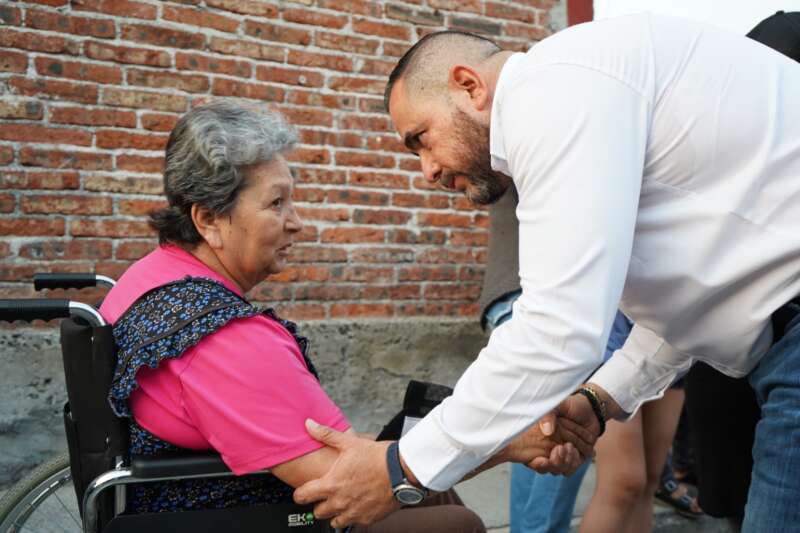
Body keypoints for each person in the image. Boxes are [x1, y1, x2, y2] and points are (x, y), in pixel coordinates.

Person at [293, 14, 800, 533]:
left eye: (420, 139)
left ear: (468, 86)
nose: (427, 171)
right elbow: (701, 294)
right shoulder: (580, 89)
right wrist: (599, 402)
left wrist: (398, 469)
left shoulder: (551, 90)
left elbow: (556, 332)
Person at [98, 100, 592, 532]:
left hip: (193, 497)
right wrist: (510, 443)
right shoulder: (223, 339)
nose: (297, 222)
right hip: (253, 514)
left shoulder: (147, 278)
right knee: (456, 522)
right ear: (207, 219)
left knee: (432, 482)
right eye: (276, 203)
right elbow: (347, 483)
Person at [480, 186, 590, 533]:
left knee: (540, 446)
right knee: (554, 443)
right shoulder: (534, 135)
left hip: (523, 295)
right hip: (539, 297)